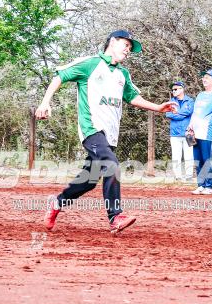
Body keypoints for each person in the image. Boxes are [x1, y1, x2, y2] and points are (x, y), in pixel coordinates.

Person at [36, 30, 178, 234]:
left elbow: (132, 97)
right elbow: (60, 76)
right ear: (112, 42)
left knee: (88, 181)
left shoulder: (123, 74)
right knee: (112, 165)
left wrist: (158, 107)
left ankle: (56, 204)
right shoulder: (91, 64)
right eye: (126, 45)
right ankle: (115, 216)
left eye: (130, 48)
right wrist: (45, 102)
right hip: (91, 129)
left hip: (110, 135)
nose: (128, 50)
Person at [187, 69, 212, 195]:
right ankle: (201, 185)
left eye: (207, 77)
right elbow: (195, 113)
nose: (204, 79)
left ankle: (209, 186)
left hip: (207, 133)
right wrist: (190, 125)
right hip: (196, 133)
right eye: (203, 77)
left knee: (207, 159)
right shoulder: (200, 95)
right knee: (197, 160)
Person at [165, 81, 195, 181]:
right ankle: (178, 177)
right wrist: (182, 115)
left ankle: (189, 176)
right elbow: (168, 114)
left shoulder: (190, 101)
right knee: (176, 156)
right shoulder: (171, 102)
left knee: (189, 155)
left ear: (182, 89)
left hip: (189, 133)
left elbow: (190, 112)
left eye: (176, 89)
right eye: (172, 89)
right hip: (174, 134)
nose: (173, 91)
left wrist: (177, 113)